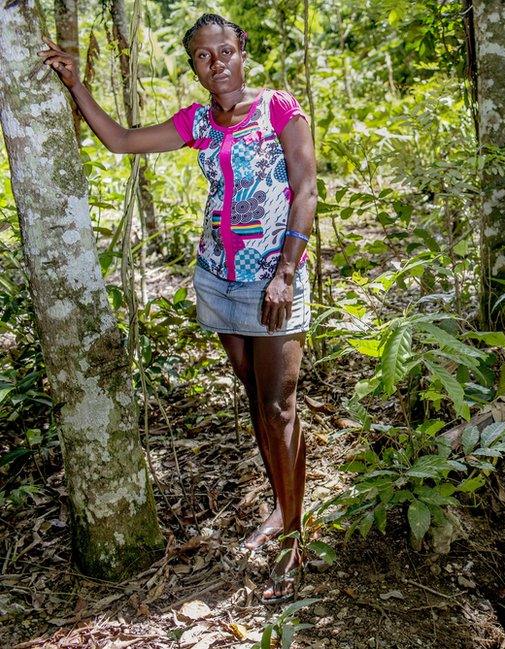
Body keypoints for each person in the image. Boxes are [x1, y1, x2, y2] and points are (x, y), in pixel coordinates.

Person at [40, 13, 315, 604]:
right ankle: (280, 505)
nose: (215, 63)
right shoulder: (196, 122)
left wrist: (287, 272)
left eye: (225, 51)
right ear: (193, 65)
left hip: (275, 280)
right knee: (255, 400)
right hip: (219, 280)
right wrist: (76, 86)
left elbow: (306, 189)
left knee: (279, 407)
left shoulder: (279, 109)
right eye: (202, 56)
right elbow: (121, 141)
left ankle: (293, 540)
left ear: (243, 51)